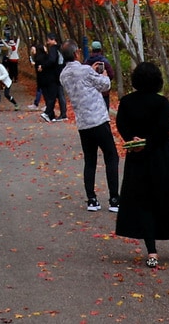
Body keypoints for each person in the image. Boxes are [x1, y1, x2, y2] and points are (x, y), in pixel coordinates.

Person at [115, 61, 169, 268]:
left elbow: (121, 124)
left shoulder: (126, 102)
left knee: (143, 200)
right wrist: (150, 144)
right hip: (162, 156)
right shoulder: (161, 103)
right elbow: (164, 128)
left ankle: (152, 252)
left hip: (137, 157)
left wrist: (134, 141)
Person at [58, 40, 120, 212]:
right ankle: (114, 199)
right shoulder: (85, 70)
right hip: (98, 119)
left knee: (90, 160)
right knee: (111, 157)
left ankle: (92, 199)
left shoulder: (63, 75)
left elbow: (82, 83)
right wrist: (103, 74)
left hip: (83, 124)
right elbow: (105, 85)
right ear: (77, 53)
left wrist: (91, 73)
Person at [37, 35, 65, 122]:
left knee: (53, 95)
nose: (47, 42)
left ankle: (48, 112)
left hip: (55, 75)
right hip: (61, 72)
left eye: (48, 40)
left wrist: (44, 66)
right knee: (60, 95)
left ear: (53, 40)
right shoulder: (61, 48)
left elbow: (52, 60)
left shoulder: (53, 49)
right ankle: (61, 114)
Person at [85, 40, 116, 107]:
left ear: (92, 50)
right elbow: (111, 74)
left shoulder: (87, 62)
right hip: (104, 92)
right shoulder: (105, 62)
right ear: (100, 49)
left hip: (91, 92)